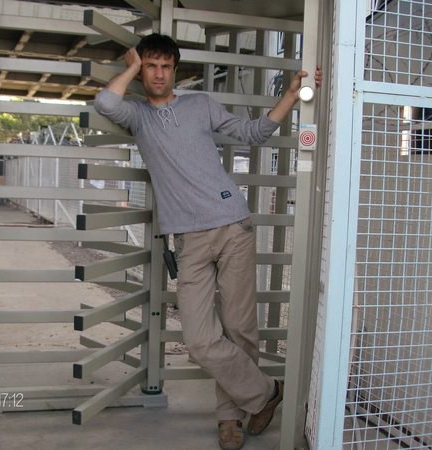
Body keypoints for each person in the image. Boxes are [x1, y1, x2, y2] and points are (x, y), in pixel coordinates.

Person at [94, 33, 322, 450]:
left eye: (165, 66)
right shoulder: (137, 115)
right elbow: (105, 103)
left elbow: (255, 133)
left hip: (232, 226)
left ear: (175, 70)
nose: (158, 74)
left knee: (239, 329)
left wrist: (291, 95)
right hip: (189, 241)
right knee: (200, 340)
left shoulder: (200, 105)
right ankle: (266, 393)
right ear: (141, 70)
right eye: (150, 66)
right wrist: (131, 64)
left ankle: (229, 418)